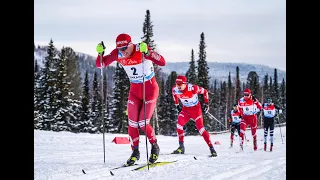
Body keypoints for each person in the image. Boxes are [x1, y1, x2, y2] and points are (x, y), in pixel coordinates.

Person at [95, 33, 166, 165]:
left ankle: (155, 146)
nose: (123, 52)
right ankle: (135, 152)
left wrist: (148, 53)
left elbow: (162, 61)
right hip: (135, 91)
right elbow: (101, 65)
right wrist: (100, 54)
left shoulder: (141, 49)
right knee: (132, 124)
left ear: (131, 44)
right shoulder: (118, 53)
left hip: (150, 90)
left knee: (143, 123)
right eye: (120, 49)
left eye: (125, 49)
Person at [171, 75, 217, 157]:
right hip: (186, 110)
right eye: (177, 84)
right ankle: (181, 147)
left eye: (180, 84)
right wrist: (177, 105)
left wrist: (206, 104)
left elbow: (205, 91)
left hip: (196, 111)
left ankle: (212, 148)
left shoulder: (193, 88)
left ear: (185, 84)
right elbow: (174, 96)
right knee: (179, 125)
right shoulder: (175, 89)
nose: (178, 86)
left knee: (201, 129)